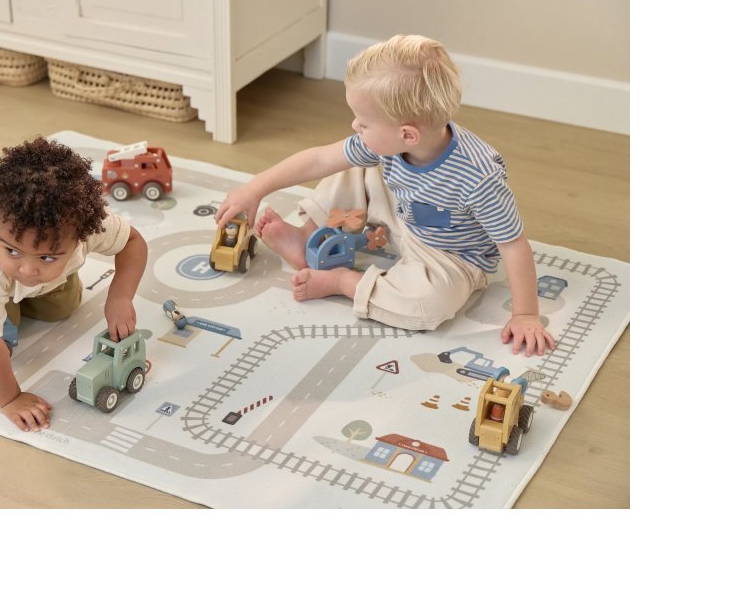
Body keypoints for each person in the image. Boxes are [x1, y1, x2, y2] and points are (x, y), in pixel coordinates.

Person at [215, 34, 555, 356]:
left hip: (453, 256)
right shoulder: (389, 143)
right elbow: (319, 160)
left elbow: (513, 244)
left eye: (363, 123)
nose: (355, 127)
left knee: (428, 304)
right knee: (351, 164)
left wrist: (525, 314)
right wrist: (255, 187)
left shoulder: (479, 177)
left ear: (407, 135)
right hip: (405, 213)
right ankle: (307, 237)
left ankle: (344, 282)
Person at [0, 136, 148, 433]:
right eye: (12, 250)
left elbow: (132, 242)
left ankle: (33, 266)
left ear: (80, 239)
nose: (27, 269)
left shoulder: (88, 224)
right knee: (3, 326)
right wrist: (10, 399)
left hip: (8, 258)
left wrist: (120, 298)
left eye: (47, 257)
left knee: (63, 307)